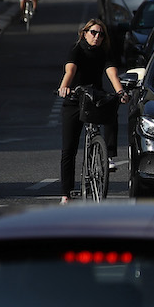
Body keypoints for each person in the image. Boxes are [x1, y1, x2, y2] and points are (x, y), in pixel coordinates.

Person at [55, 19, 126, 204]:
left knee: (112, 106)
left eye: (101, 34)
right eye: (93, 32)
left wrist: (120, 92)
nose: (97, 37)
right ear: (84, 33)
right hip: (74, 98)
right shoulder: (77, 48)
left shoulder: (104, 51)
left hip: (94, 97)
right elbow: (69, 70)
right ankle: (66, 194)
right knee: (68, 149)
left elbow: (112, 73)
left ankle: (108, 154)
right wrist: (64, 87)